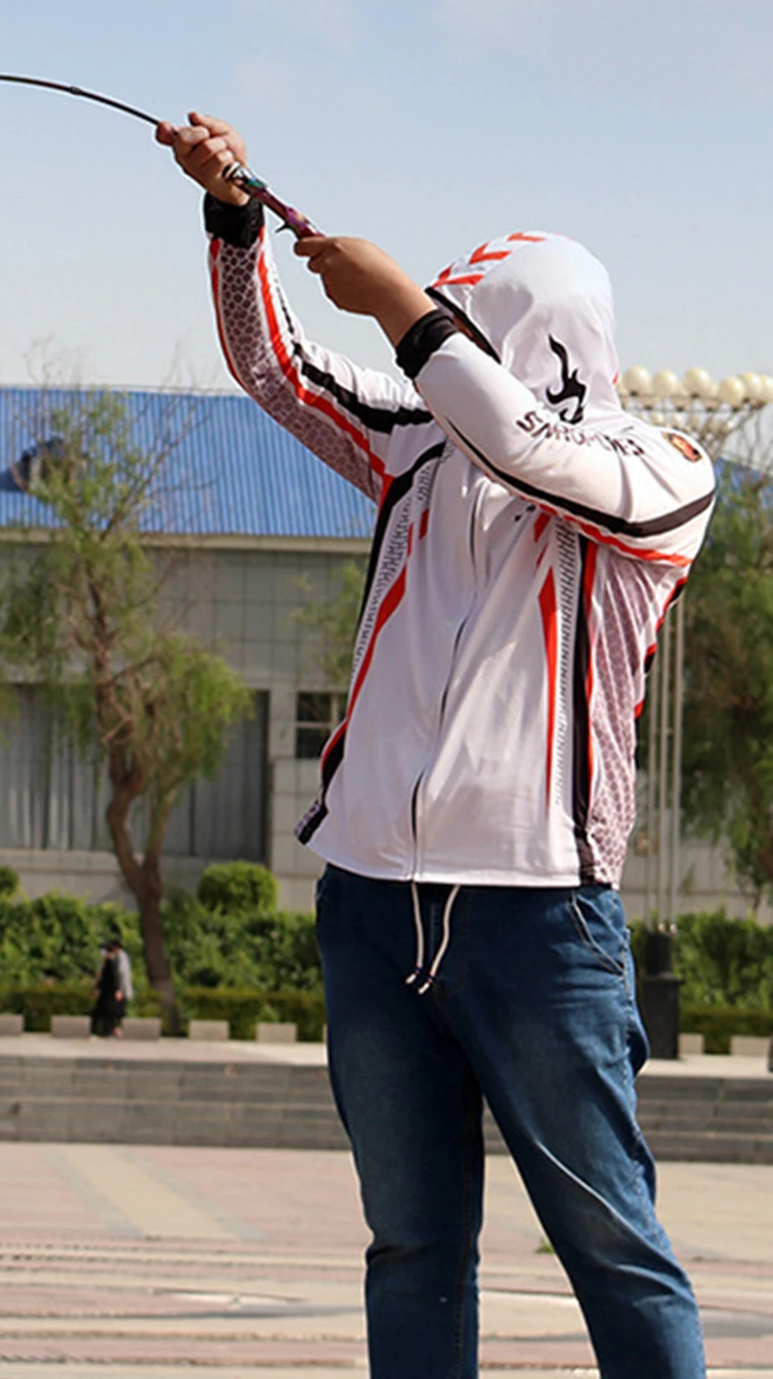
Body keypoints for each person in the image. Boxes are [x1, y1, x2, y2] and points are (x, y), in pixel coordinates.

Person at [157, 113, 715, 1379]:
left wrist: (402, 304)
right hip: (369, 899)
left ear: (539, 339)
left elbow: (523, 443)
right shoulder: (413, 446)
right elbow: (272, 370)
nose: (436, 340)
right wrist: (235, 218)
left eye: (465, 319)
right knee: (409, 1243)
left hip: (538, 917)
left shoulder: (658, 471)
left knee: (611, 1243)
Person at [90, 937, 131, 1037]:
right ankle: (102, 1030)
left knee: (113, 1011)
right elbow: (102, 975)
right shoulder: (108, 960)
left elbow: (120, 976)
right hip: (107, 990)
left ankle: (110, 1030)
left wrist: (119, 990)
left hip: (113, 990)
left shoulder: (118, 959)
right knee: (103, 1011)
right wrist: (97, 988)